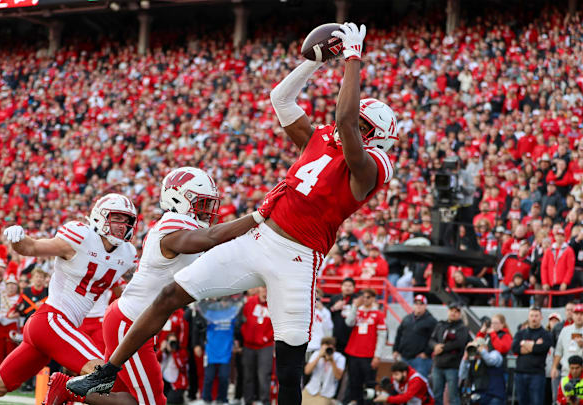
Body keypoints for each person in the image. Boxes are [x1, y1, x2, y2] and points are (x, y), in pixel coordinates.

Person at [67, 23, 398, 405]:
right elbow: (281, 99)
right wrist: (314, 63)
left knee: (288, 367)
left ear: (377, 139)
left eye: (361, 126)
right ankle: (107, 373)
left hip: (298, 258)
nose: (350, 128)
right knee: (170, 294)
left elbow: (345, 120)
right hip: (258, 239)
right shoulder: (321, 139)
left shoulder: (370, 169)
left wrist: (353, 57)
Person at [45, 167, 285, 405]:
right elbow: (210, 238)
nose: (208, 209)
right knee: (153, 401)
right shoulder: (172, 223)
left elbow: (218, 245)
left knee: (129, 398)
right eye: (201, 202)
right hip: (130, 323)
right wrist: (256, 216)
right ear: (178, 199)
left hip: (132, 320)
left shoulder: (184, 225)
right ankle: (67, 389)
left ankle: (66, 388)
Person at [0, 193, 140, 405]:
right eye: (116, 218)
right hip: (52, 320)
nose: (122, 226)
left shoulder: (127, 255)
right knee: (105, 376)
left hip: (53, 328)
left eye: (126, 220)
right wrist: (18, 240)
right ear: (100, 217)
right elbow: (32, 247)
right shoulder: (80, 237)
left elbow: (120, 290)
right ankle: (63, 389)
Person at [344, 288, 387, 404]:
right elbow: (349, 322)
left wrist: (377, 356)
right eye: (363, 297)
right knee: (354, 381)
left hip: (369, 355)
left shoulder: (378, 314)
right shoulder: (357, 311)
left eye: (368, 297)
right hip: (354, 353)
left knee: (370, 383)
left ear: (373, 298)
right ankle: (354, 401)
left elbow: (382, 336)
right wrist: (354, 307)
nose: (365, 299)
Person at [429, 302, 469, 405]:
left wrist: (442, 347)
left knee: (453, 396)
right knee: (436, 394)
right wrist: (435, 346)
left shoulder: (462, 328)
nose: (453, 313)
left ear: (460, 314)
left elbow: (460, 343)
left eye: (456, 311)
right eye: (452, 310)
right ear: (448, 311)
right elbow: (431, 340)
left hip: (453, 366)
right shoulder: (440, 324)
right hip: (438, 365)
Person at [240, 287, 274, 405]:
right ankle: (248, 401)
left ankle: (265, 401)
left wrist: (266, 337)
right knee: (248, 376)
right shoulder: (249, 302)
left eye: (267, 288)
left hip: (266, 346)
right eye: (263, 287)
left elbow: (276, 325)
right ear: (258, 289)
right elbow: (242, 319)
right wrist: (245, 335)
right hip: (248, 345)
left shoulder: (274, 304)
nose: (265, 290)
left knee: (263, 376)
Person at [512, 306, 552, 405]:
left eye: (536, 316)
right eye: (532, 316)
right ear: (528, 317)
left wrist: (524, 344)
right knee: (522, 402)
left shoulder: (546, 334)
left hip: (537, 374)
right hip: (520, 373)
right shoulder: (520, 333)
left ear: (541, 317)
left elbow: (542, 348)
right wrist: (534, 345)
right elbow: (515, 348)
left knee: (536, 402)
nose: (534, 318)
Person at [392, 294, 436, 378]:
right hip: (404, 357)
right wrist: (395, 350)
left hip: (420, 359)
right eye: (416, 303)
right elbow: (399, 334)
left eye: (421, 304)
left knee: (419, 382)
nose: (418, 306)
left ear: (425, 306)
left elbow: (435, 338)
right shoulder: (407, 318)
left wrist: (427, 353)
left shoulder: (431, 321)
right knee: (404, 383)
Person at [458, 338, 506, 405]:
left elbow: (490, 361)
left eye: (478, 347)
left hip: (494, 395)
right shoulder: (474, 361)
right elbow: (462, 375)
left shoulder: (495, 354)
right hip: (479, 395)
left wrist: (481, 350)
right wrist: (465, 358)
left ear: (486, 347)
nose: (476, 350)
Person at [303, 336, 345, 405]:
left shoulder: (340, 358)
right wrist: (319, 356)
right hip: (310, 389)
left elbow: (338, 377)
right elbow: (307, 371)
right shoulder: (317, 354)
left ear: (334, 348)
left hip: (326, 393)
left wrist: (332, 361)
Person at [553, 304, 583, 394]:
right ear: (572, 315)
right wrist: (554, 367)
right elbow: (558, 351)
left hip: (582, 376)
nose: (579, 316)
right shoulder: (565, 330)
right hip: (567, 374)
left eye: (581, 314)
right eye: (576, 313)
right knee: (563, 400)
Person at [0, 273, 20, 371]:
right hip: (0, 325)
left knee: (10, 351)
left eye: (13, 285)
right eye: (9, 284)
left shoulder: (19, 298)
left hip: (11, 325)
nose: (11, 287)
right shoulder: (0, 296)